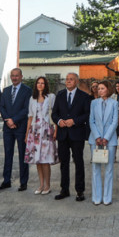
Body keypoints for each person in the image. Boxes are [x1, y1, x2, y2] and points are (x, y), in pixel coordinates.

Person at [51, 72, 91, 201]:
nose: (68, 81)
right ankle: (64, 190)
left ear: (77, 81)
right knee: (64, 163)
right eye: (67, 79)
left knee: (78, 162)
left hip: (77, 134)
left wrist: (74, 121)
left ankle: (80, 191)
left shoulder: (84, 96)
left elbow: (87, 114)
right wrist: (58, 121)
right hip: (62, 134)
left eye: (71, 79)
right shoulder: (60, 95)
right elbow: (54, 113)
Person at [0, 68, 32, 191]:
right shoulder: (6, 90)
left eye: (17, 76)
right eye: (12, 76)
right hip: (8, 128)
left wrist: (14, 120)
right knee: (8, 154)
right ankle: (6, 180)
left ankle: (23, 182)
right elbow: (1, 106)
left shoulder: (27, 91)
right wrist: (8, 120)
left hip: (21, 127)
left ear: (21, 76)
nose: (14, 78)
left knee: (23, 155)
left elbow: (26, 108)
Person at [89, 81, 119, 205]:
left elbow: (114, 121)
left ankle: (107, 198)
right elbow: (91, 120)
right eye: (98, 88)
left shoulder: (114, 103)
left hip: (110, 140)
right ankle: (96, 197)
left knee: (108, 169)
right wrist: (97, 136)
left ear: (108, 89)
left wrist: (106, 137)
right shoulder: (93, 103)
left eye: (102, 88)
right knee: (95, 168)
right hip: (95, 140)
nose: (99, 90)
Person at [26, 76, 58, 194]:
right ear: (36, 85)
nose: (40, 85)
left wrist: (56, 131)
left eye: (42, 83)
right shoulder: (32, 99)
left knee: (45, 159)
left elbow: (55, 115)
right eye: (38, 83)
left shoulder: (51, 97)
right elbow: (30, 117)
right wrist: (26, 134)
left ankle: (47, 186)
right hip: (34, 131)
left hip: (46, 130)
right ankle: (40, 185)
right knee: (37, 160)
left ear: (46, 85)